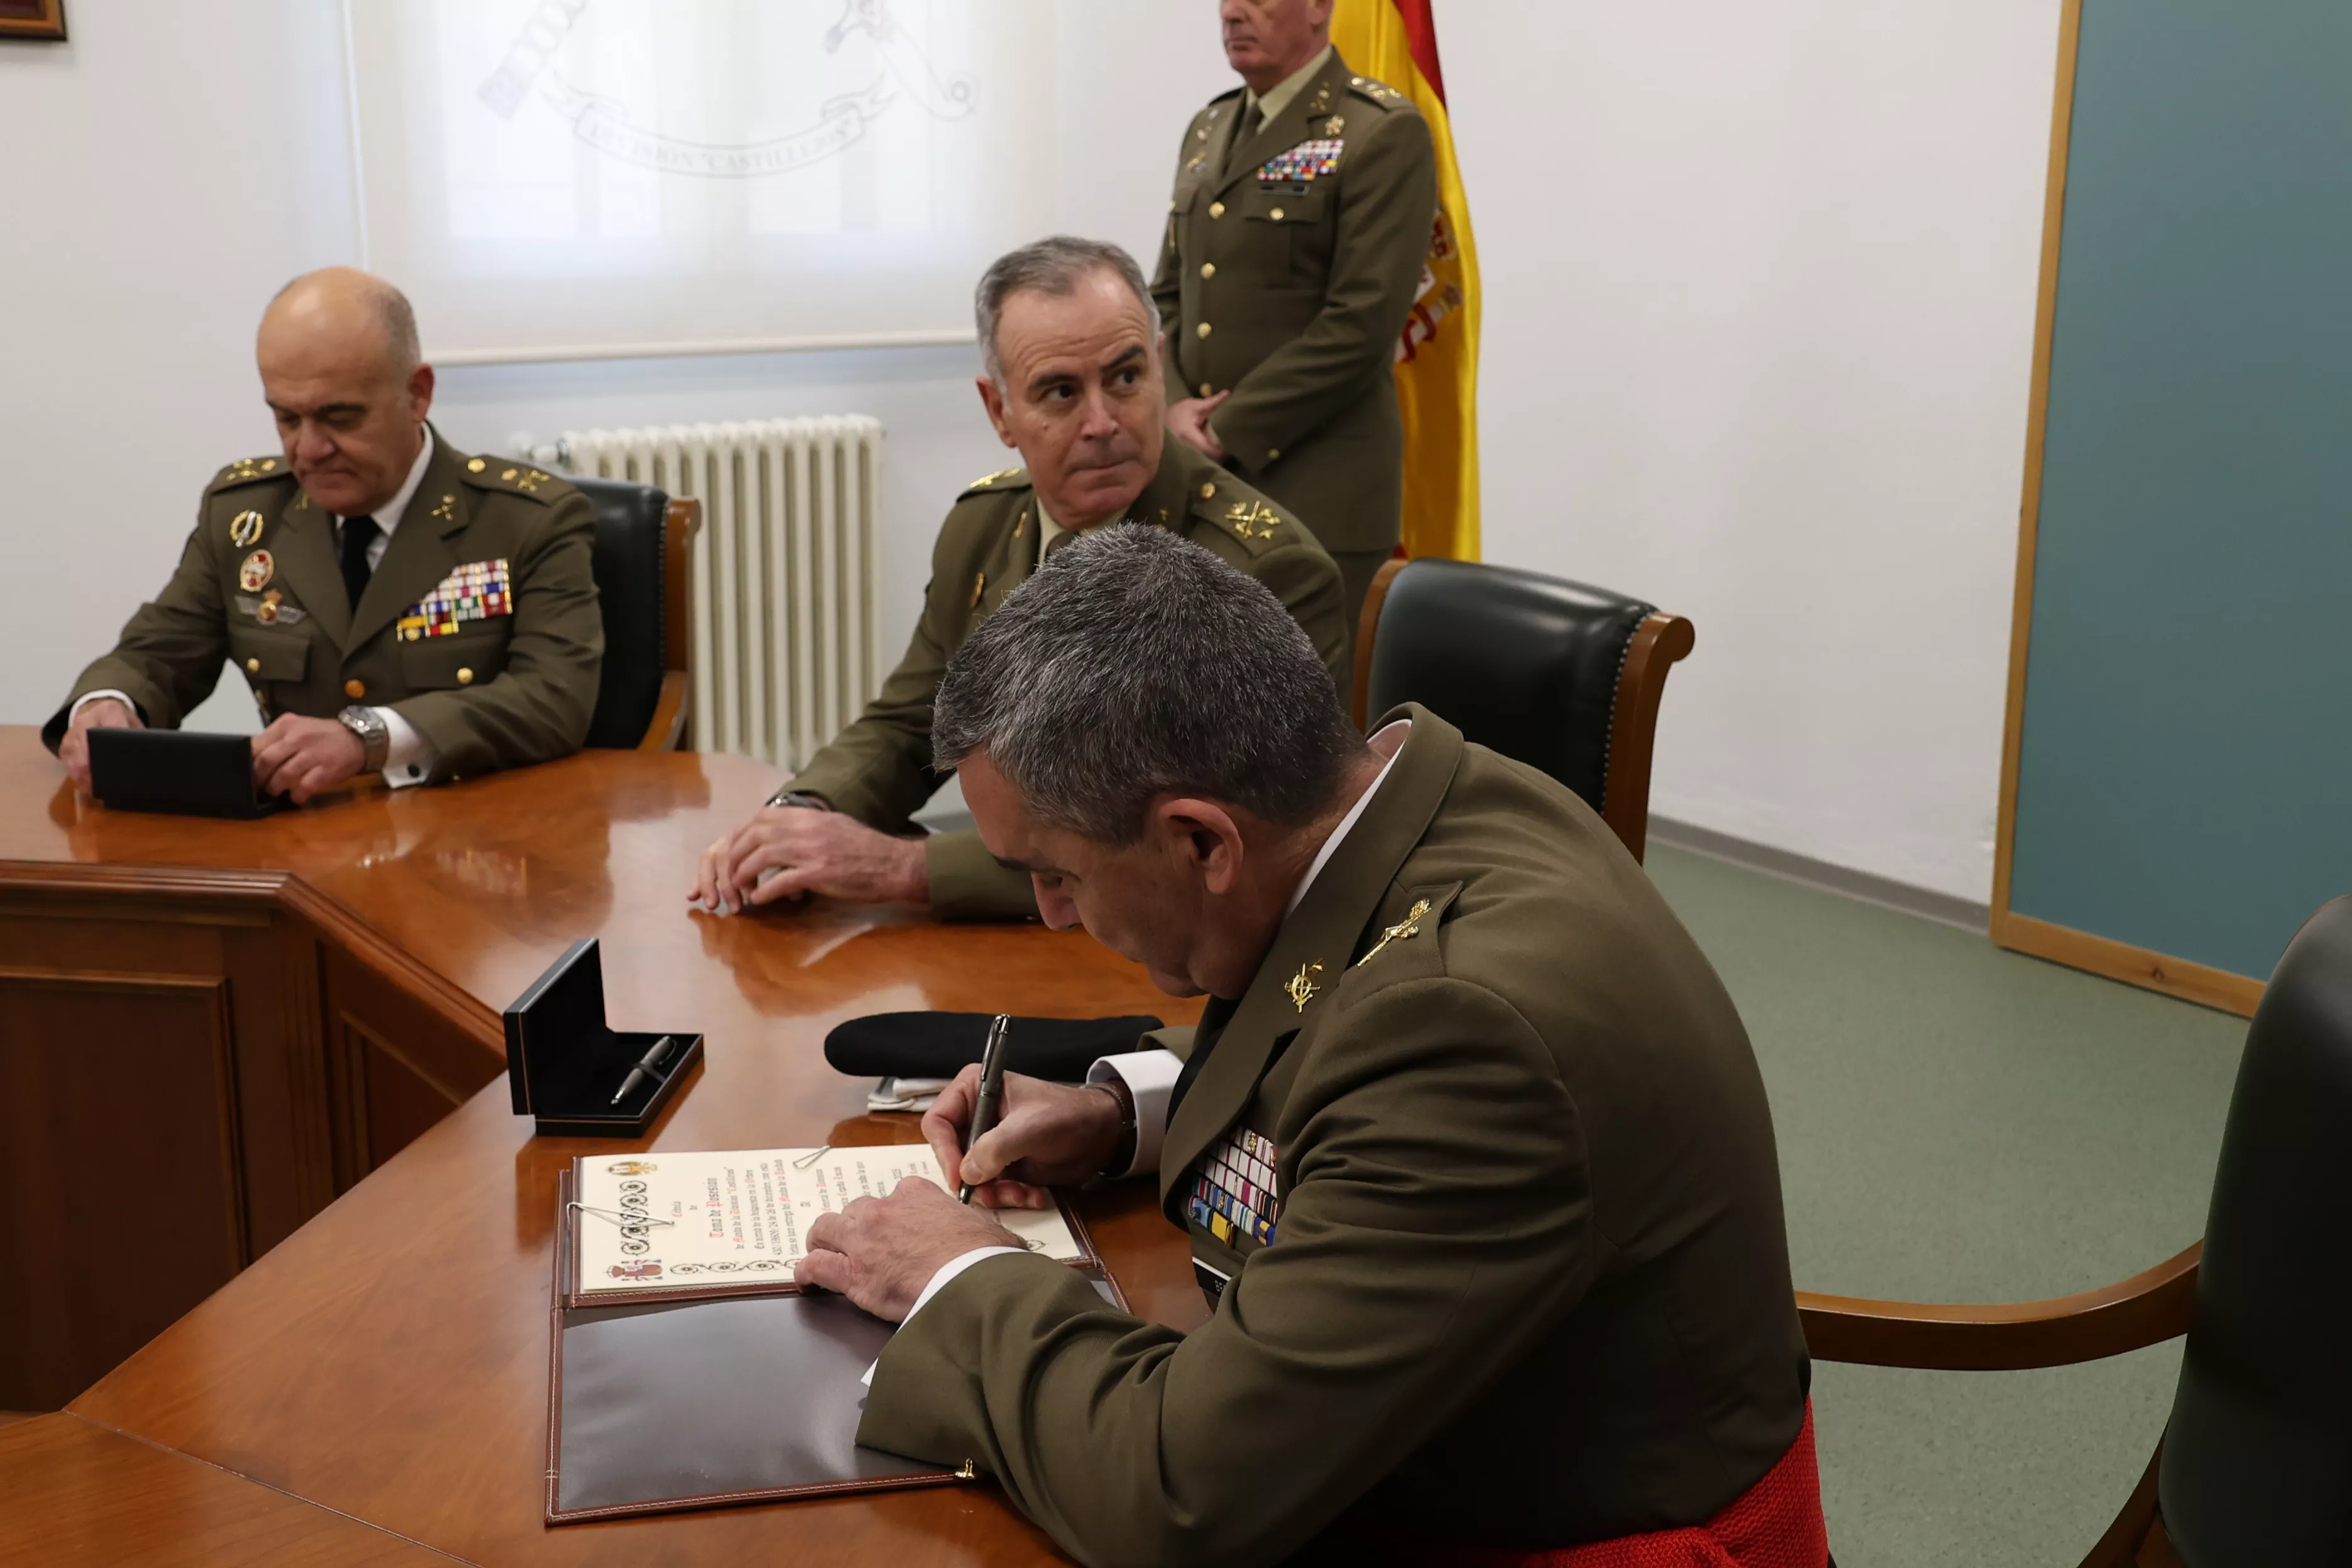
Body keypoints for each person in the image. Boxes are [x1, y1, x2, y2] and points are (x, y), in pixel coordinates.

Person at [792, 527, 1826, 1567]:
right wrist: (1119, 1112)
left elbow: (1175, 1496)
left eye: (1056, 872)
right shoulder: (1419, 799)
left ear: (1202, 842)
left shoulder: (1463, 1041)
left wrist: (958, 1275)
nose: (1052, 915)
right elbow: (1324, 997)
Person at [687, 236, 1349, 924]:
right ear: (998, 411)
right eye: (1060, 392)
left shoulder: (1259, 569)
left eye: (1125, 378)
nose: (1102, 423)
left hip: (1175, 955)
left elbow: (1206, 845)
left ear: (1158, 368)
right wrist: (802, 815)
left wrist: (904, 867)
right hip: (1024, 936)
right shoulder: (984, 525)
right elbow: (915, 719)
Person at [46, 268, 602, 801]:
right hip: (301, 843)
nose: (309, 449)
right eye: (287, 418)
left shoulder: (526, 519)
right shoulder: (245, 517)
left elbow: (552, 699)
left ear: (417, 394)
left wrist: (369, 738)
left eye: (340, 418)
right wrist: (106, 705)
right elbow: (157, 655)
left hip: (475, 845)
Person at [1153, 0, 1439, 636]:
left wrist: (1222, 428)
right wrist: (1172, 408)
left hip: (1317, 498)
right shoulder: (1209, 127)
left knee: (1305, 728)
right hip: (1203, 491)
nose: (1232, 11)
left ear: (1318, 7)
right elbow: (1170, 295)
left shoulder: (1380, 131)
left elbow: (1361, 323)